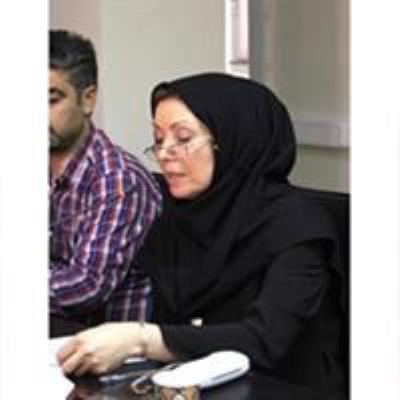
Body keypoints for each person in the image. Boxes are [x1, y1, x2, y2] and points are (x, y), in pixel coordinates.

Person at [57, 73, 345, 395]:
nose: (165, 152)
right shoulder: (177, 217)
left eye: (182, 138)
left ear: (233, 141)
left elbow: (265, 340)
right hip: (191, 388)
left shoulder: (298, 226)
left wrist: (141, 339)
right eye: (158, 139)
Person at [49, 30, 161, 328]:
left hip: (107, 349)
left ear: (88, 100)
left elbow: (86, 286)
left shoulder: (118, 179)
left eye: (51, 100)